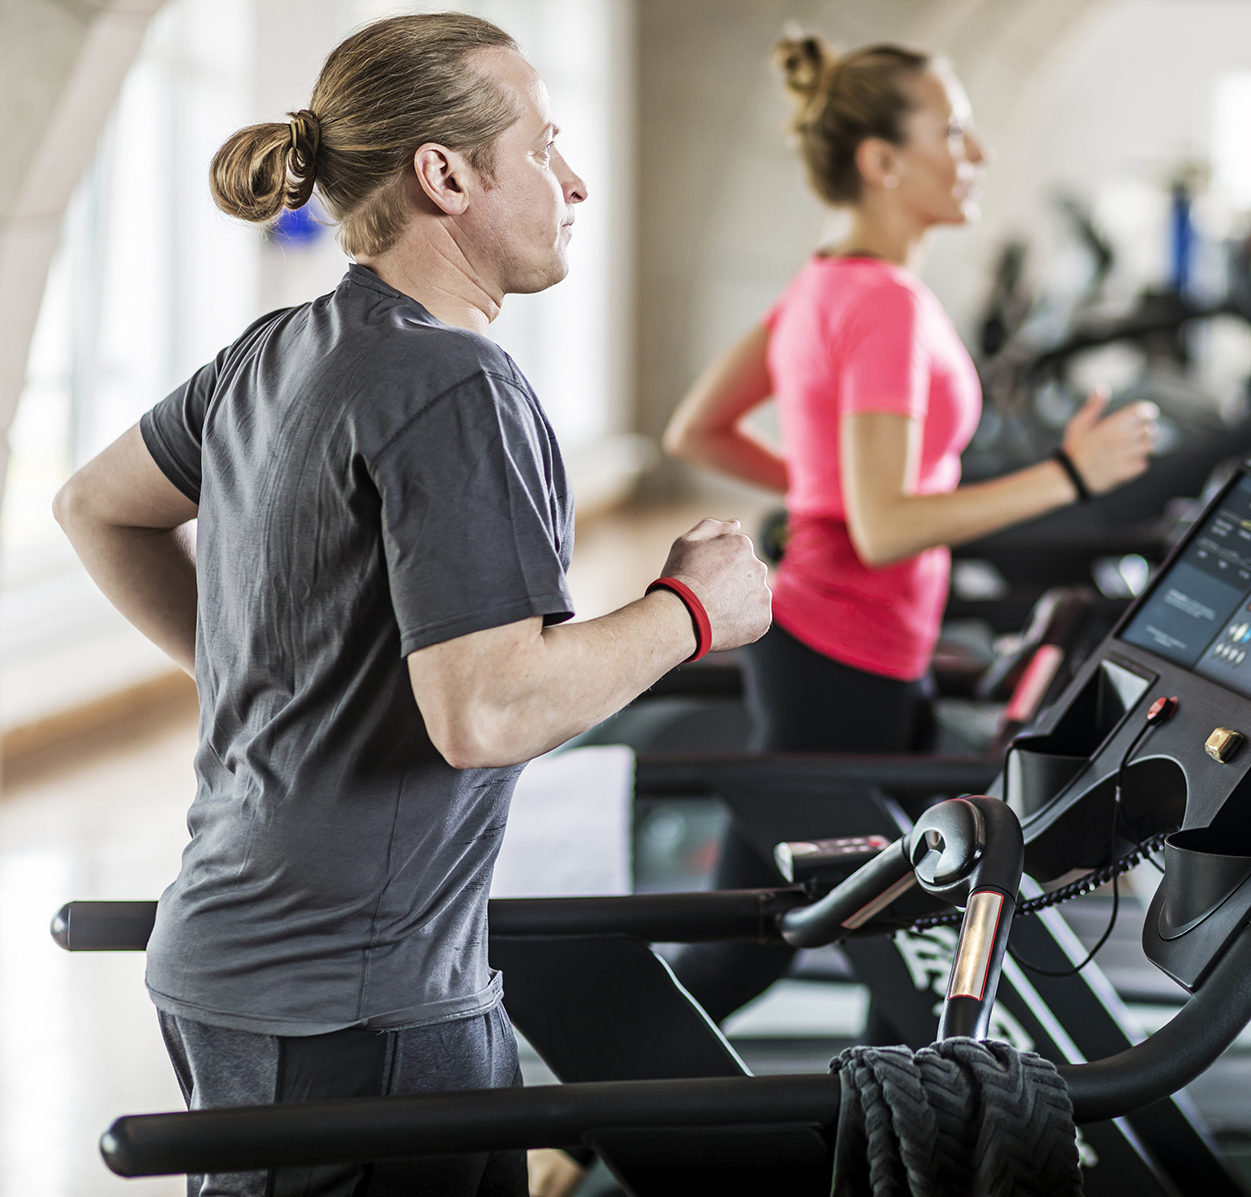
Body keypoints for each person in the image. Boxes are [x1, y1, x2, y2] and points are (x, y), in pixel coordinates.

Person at [52, 14, 770, 1197]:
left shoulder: (277, 349)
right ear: (447, 175)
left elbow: (94, 505)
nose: (575, 178)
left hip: (235, 956)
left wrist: (278, 682)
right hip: (355, 999)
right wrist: (694, 611)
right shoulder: (456, 382)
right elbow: (486, 713)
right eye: (544, 146)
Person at [663, 35, 1156, 1024]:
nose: (974, 155)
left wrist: (821, 495)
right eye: (955, 135)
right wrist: (1067, 474)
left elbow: (699, 430)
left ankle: (893, 1123)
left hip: (839, 649)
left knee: (896, 917)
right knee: (779, 939)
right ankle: (569, 1132)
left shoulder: (823, 284)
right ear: (884, 163)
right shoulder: (884, 305)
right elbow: (887, 527)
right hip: (841, 654)